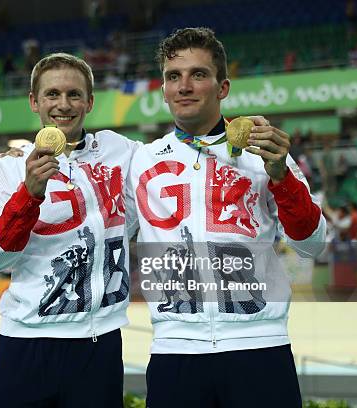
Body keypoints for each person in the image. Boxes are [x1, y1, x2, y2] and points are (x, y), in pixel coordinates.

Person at [128, 28, 326, 407]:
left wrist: (282, 177)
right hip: (175, 349)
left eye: (198, 74)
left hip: (260, 346)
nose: (184, 86)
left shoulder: (265, 153)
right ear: (164, 89)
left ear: (223, 88)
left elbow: (313, 243)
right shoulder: (140, 159)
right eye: (174, 76)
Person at [0, 52, 139, 407]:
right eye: (52, 94)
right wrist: (28, 195)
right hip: (27, 340)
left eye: (73, 94)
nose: (63, 105)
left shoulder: (120, 150)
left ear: (89, 101)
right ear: (34, 102)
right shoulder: (8, 170)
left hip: (100, 343)